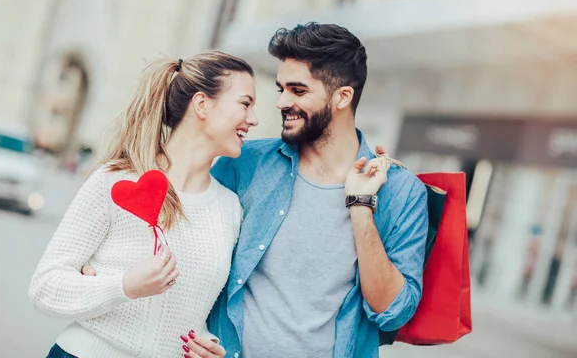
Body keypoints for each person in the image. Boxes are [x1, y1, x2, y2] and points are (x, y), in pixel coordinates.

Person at [206, 23, 429, 357]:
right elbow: (188, 244)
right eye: (281, 88)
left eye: (298, 90)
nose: (282, 102)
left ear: (342, 97)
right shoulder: (245, 163)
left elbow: (392, 311)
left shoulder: (402, 192)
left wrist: (361, 206)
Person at [29, 52, 259, 358]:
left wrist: (208, 347)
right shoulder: (114, 180)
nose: (254, 119)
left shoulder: (230, 209)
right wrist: (124, 286)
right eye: (245, 103)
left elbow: (195, 311)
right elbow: (45, 287)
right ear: (202, 104)